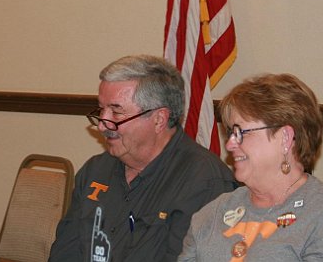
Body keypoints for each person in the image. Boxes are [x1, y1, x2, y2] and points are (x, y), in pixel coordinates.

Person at [49, 54, 236, 262]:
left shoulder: (204, 183)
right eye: (101, 110)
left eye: (116, 112)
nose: (102, 124)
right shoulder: (95, 170)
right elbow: (64, 253)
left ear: (159, 119)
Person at [178, 73, 323, 262]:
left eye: (241, 132)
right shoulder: (215, 212)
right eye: (230, 133)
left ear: (285, 138)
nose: (229, 144)